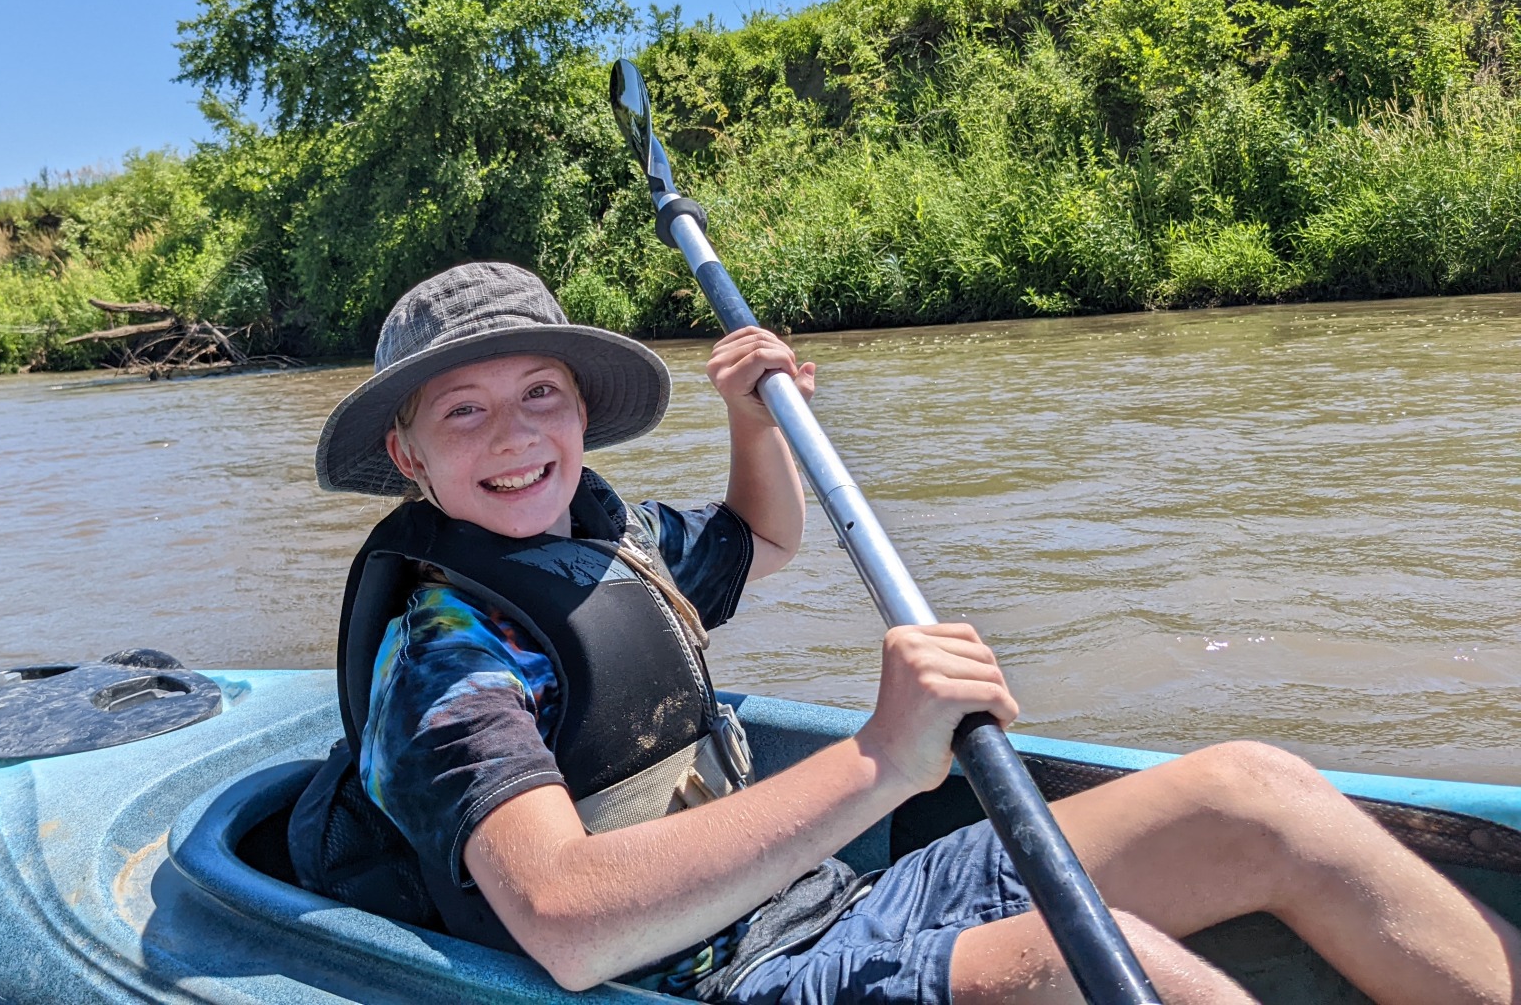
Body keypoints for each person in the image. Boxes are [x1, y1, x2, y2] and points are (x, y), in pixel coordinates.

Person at [304, 261, 1521, 1004]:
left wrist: (753, 417)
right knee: (1103, 966)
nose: (514, 437)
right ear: (406, 456)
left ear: (582, 417)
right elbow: (567, 924)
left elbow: (758, 546)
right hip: (730, 977)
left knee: (1260, 794)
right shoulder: (446, 650)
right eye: (463, 412)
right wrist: (882, 760)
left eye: (540, 397)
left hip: (822, 893)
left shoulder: (597, 534)